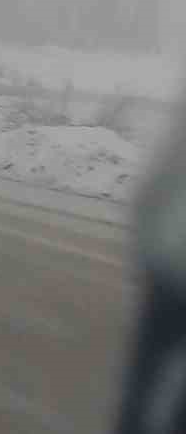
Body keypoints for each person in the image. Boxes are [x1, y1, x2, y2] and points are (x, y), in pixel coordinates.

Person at [116, 97, 186, 432]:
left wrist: (142, 251)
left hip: (168, 269)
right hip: (169, 268)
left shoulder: (179, 133)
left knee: (146, 371)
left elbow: (150, 188)